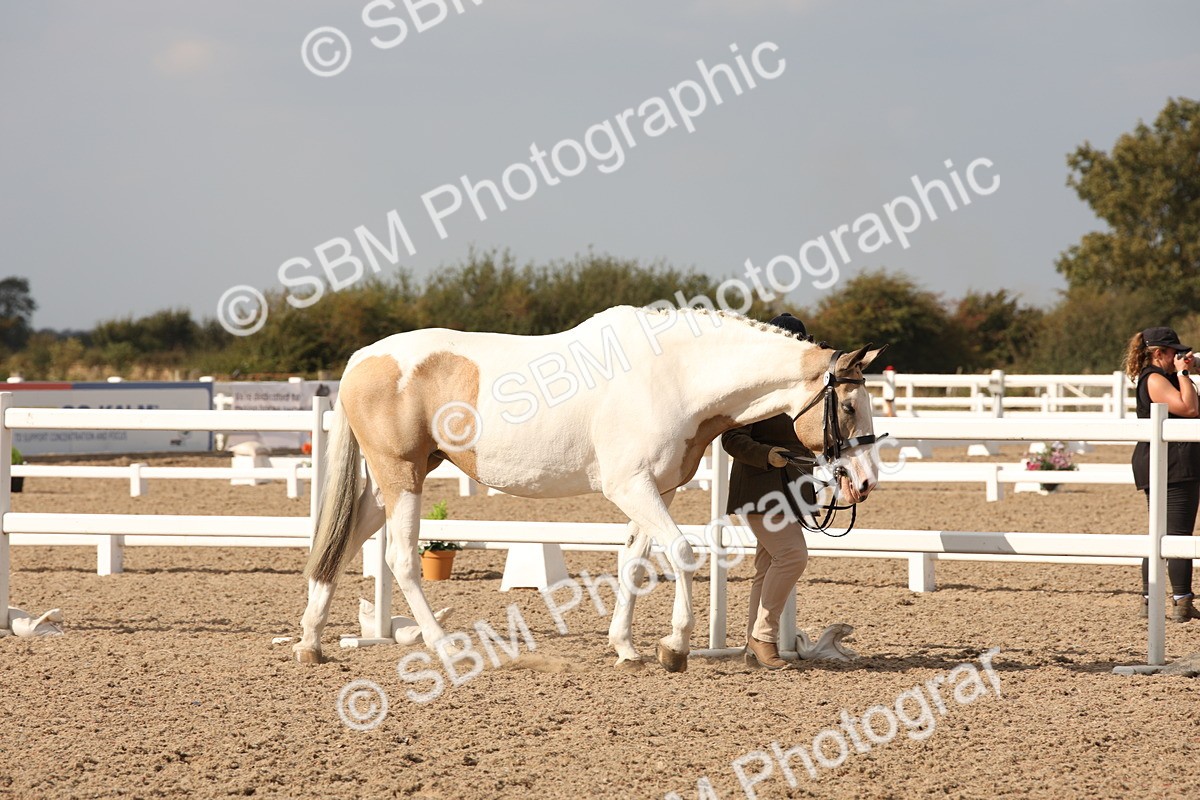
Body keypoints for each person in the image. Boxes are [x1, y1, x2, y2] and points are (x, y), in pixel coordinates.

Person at [721, 313, 819, 669]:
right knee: (793, 556)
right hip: (759, 488)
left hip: (792, 489)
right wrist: (766, 455)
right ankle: (764, 637)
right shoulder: (753, 389)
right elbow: (731, 437)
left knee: (767, 567)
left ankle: (753, 648)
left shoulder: (804, 389)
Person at [1125, 326, 1200, 622]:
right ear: (1159, 353)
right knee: (1175, 534)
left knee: (1160, 532)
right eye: (1174, 352)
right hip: (1172, 466)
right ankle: (1181, 599)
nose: (1179, 357)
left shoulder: (1162, 377)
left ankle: (1150, 598)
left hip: (1170, 463)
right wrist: (1184, 375)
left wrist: (1184, 375)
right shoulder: (1155, 379)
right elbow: (1190, 409)